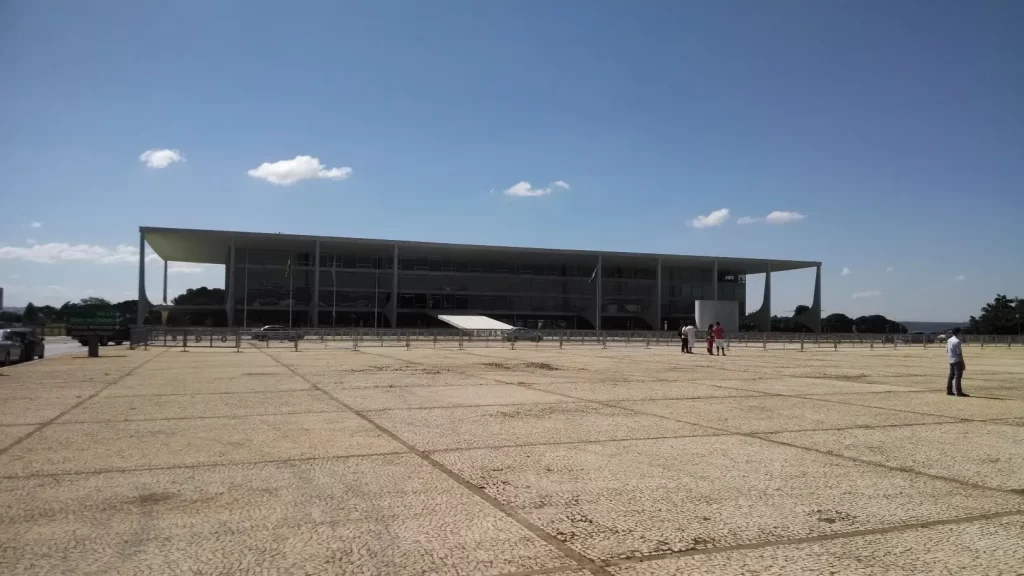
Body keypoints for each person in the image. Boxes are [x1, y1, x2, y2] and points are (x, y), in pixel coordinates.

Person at [946, 327, 968, 397]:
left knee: (951, 375)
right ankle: (958, 391)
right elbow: (959, 353)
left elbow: (947, 350)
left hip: (951, 359)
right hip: (957, 360)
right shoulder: (957, 341)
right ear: (958, 333)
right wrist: (963, 362)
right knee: (958, 376)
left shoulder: (949, 340)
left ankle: (949, 390)